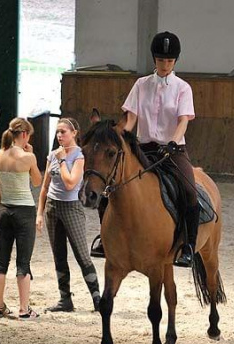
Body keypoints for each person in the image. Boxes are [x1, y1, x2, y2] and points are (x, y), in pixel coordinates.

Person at [90, 31, 198, 268]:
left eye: (170, 61)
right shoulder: (141, 85)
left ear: (175, 61)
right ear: (154, 60)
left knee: (190, 192)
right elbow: (131, 118)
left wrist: (173, 141)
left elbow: (183, 120)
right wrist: (120, 136)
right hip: (143, 148)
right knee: (110, 185)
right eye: (161, 61)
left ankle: (188, 246)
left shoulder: (183, 88)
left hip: (173, 150)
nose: (165, 65)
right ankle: (104, 238)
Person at [36, 118, 101, 312]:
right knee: (59, 255)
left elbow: (71, 183)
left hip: (71, 207)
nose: (59, 135)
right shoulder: (52, 155)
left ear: (74, 133)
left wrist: (63, 159)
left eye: (63, 132)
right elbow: (45, 186)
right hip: (52, 208)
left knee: (82, 255)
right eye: (57, 132)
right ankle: (65, 299)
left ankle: (97, 299)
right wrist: (39, 213)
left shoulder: (79, 156)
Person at [0, 117, 42, 320]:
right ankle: (24, 309)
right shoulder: (27, 157)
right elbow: (37, 182)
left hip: (5, 211)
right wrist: (31, 154)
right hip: (25, 211)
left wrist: (3, 206)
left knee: (1, 261)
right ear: (24, 135)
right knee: (23, 262)